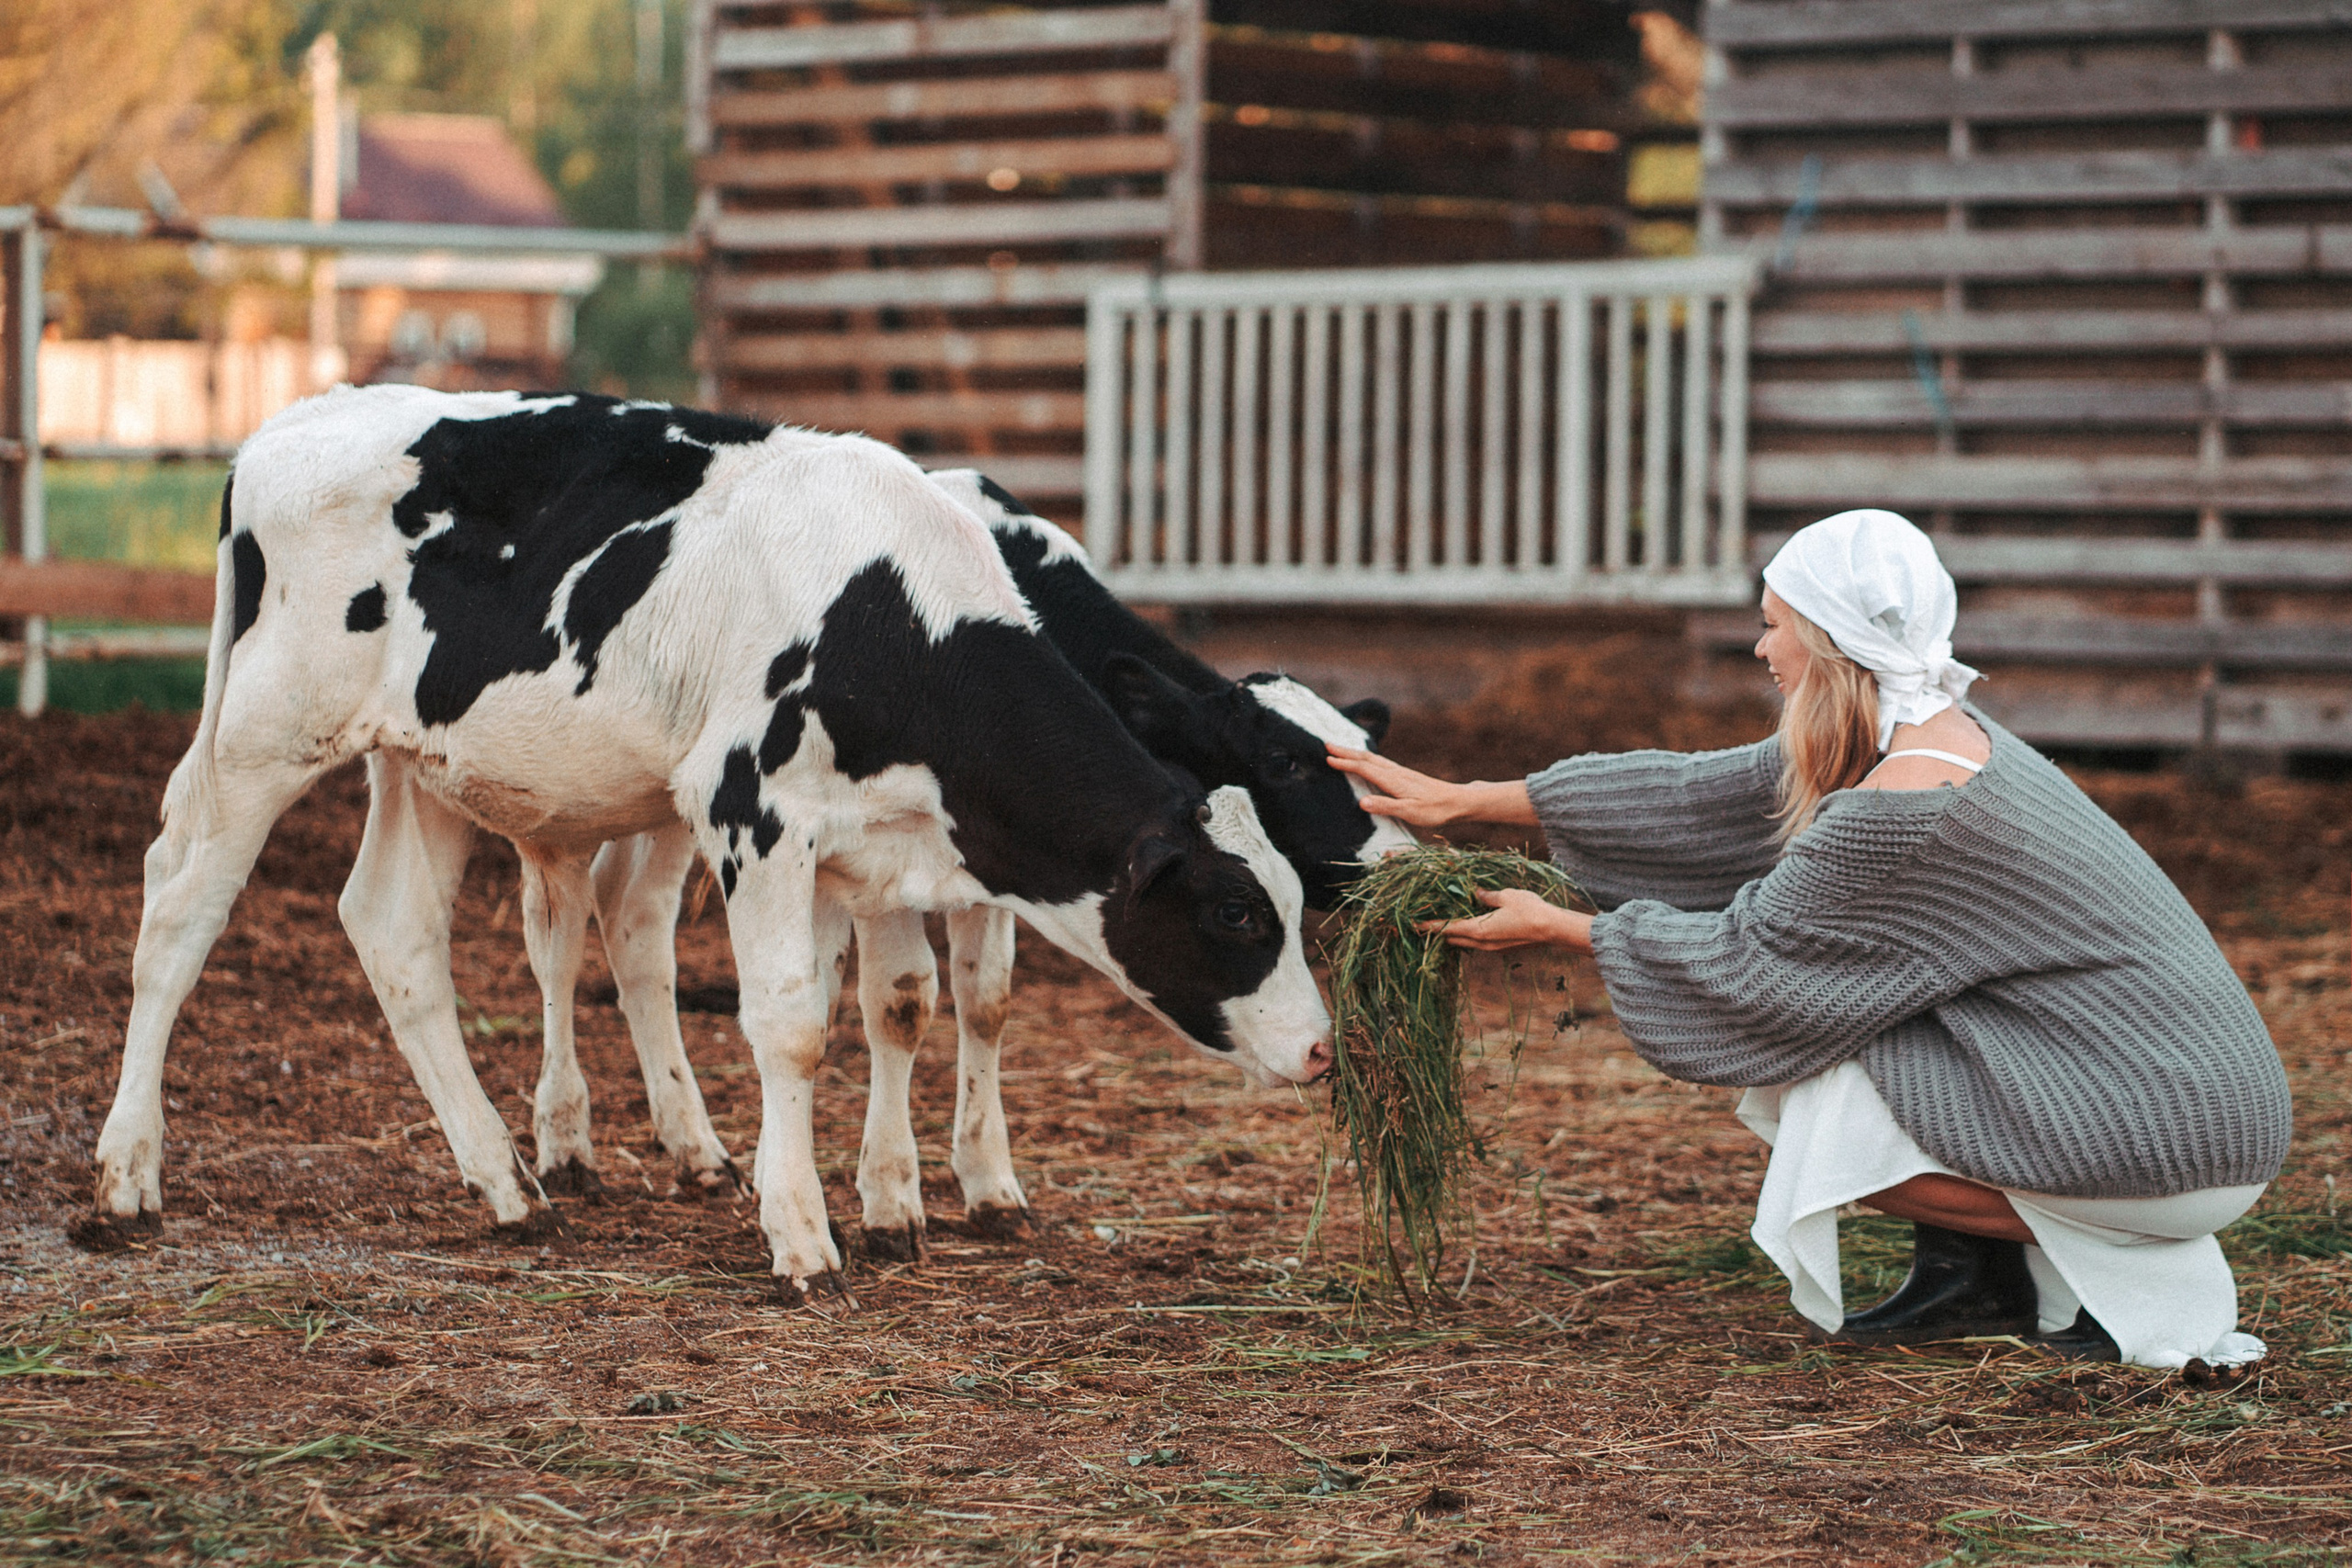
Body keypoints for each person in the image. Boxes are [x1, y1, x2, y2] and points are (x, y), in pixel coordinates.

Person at [1328, 509, 2292, 1370]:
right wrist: (1474, 802)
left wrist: (1560, 927)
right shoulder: (1936, 729)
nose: (1760, 649)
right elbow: (1709, 796)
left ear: (1825, 644)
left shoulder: (1901, 809)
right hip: (2165, 1092)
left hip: (2176, 1134)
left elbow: (1753, 969)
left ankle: (2111, 1253)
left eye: (1771, 625)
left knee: (1812, 1092)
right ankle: (1985, 1277)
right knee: (1861, 1035)